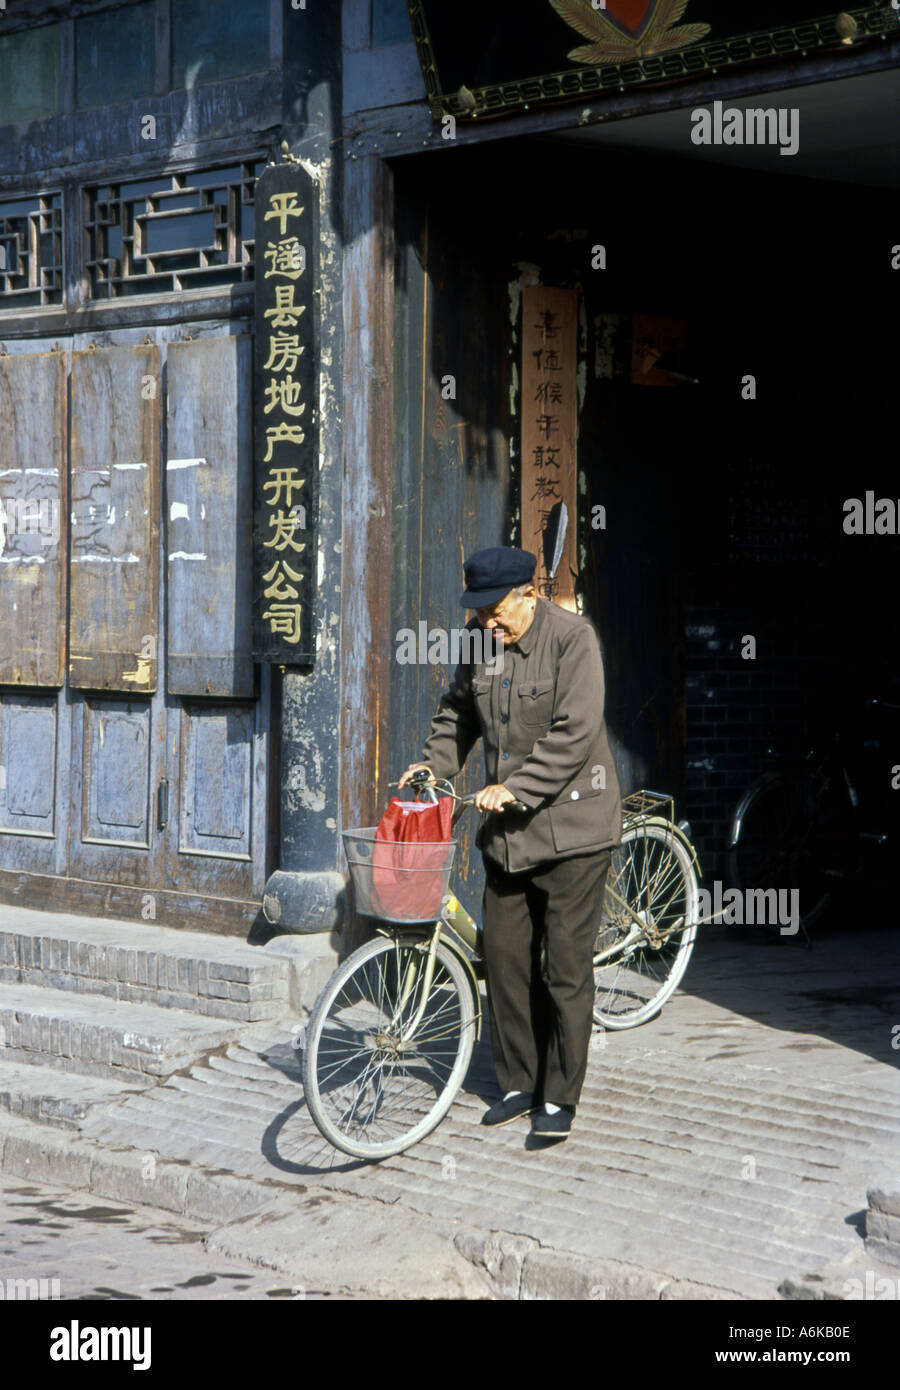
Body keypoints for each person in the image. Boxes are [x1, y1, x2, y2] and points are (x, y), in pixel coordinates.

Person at [399, 546, 621, 1140]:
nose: (488, 625)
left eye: (497, 613)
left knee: (564, 969)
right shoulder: (480, 642)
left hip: (573, 832)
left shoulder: (573, 641)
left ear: (530, 593)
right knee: (503, 960)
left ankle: (559, 1095)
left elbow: (575, 732)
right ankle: (519, 1082)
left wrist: (515, 788)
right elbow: (456, 716)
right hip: (507, 839)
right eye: (480, 615)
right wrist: (432, 768)